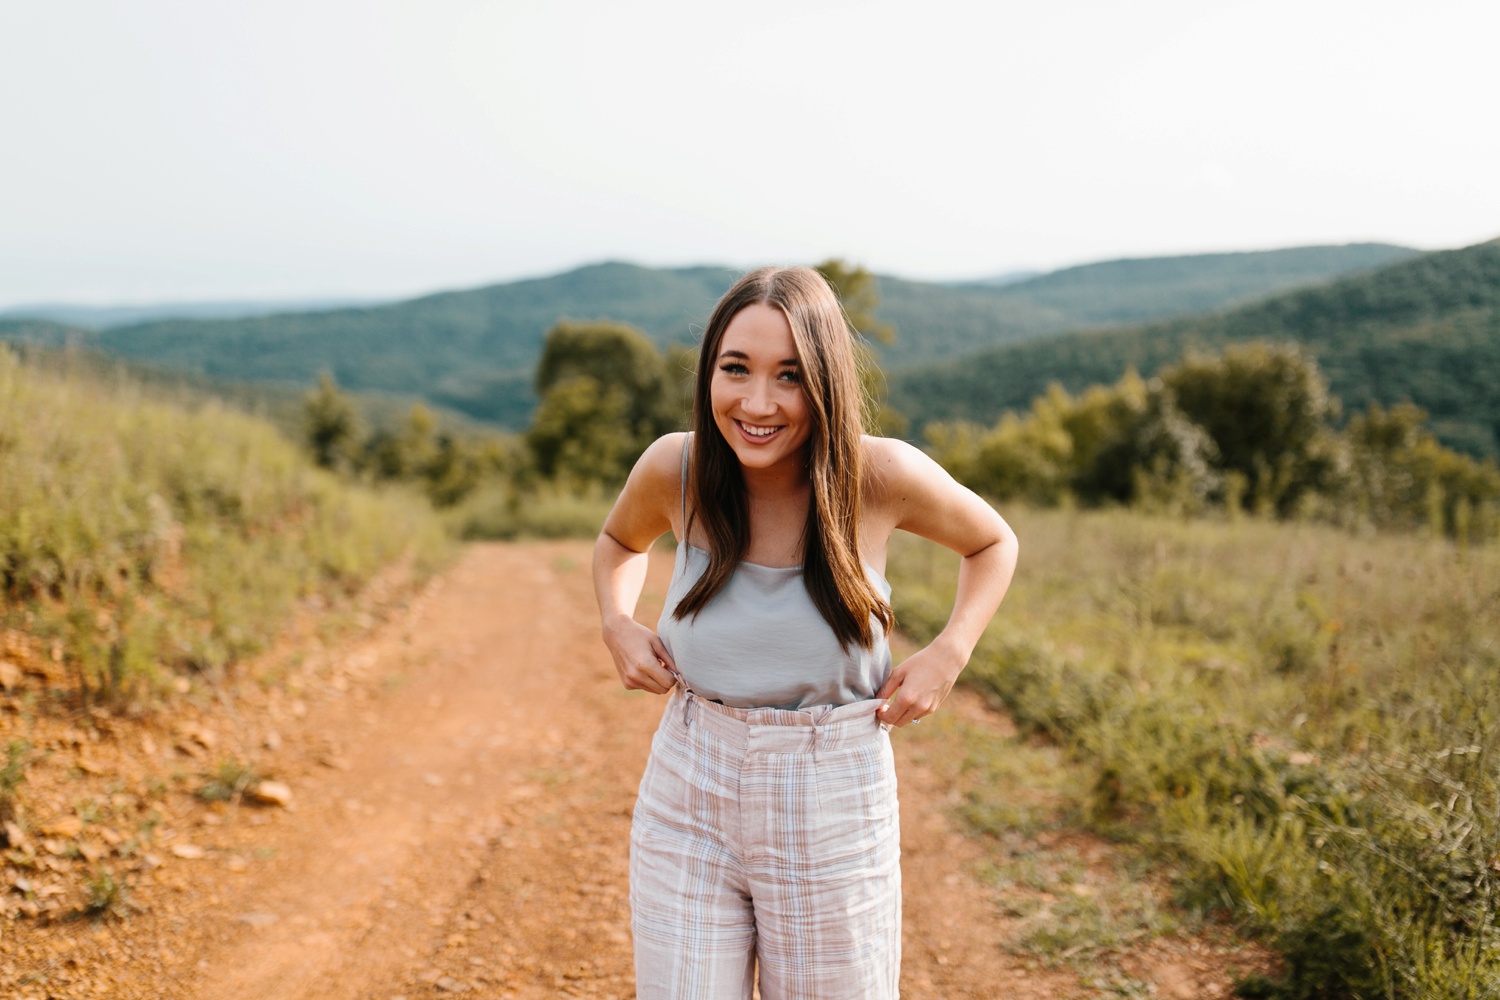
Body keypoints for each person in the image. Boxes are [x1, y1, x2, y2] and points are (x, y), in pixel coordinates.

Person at [592, 265, 1018, 999]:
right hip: (690, 781)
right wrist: (616, 623)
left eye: (789, 376)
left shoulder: (878, 475)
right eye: (737, 370)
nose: (758, 403)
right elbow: (619, 545)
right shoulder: (678, 466)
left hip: (833, 796)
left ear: (824, 381)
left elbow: (993, 543)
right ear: (709, 374)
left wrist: (952, 650)